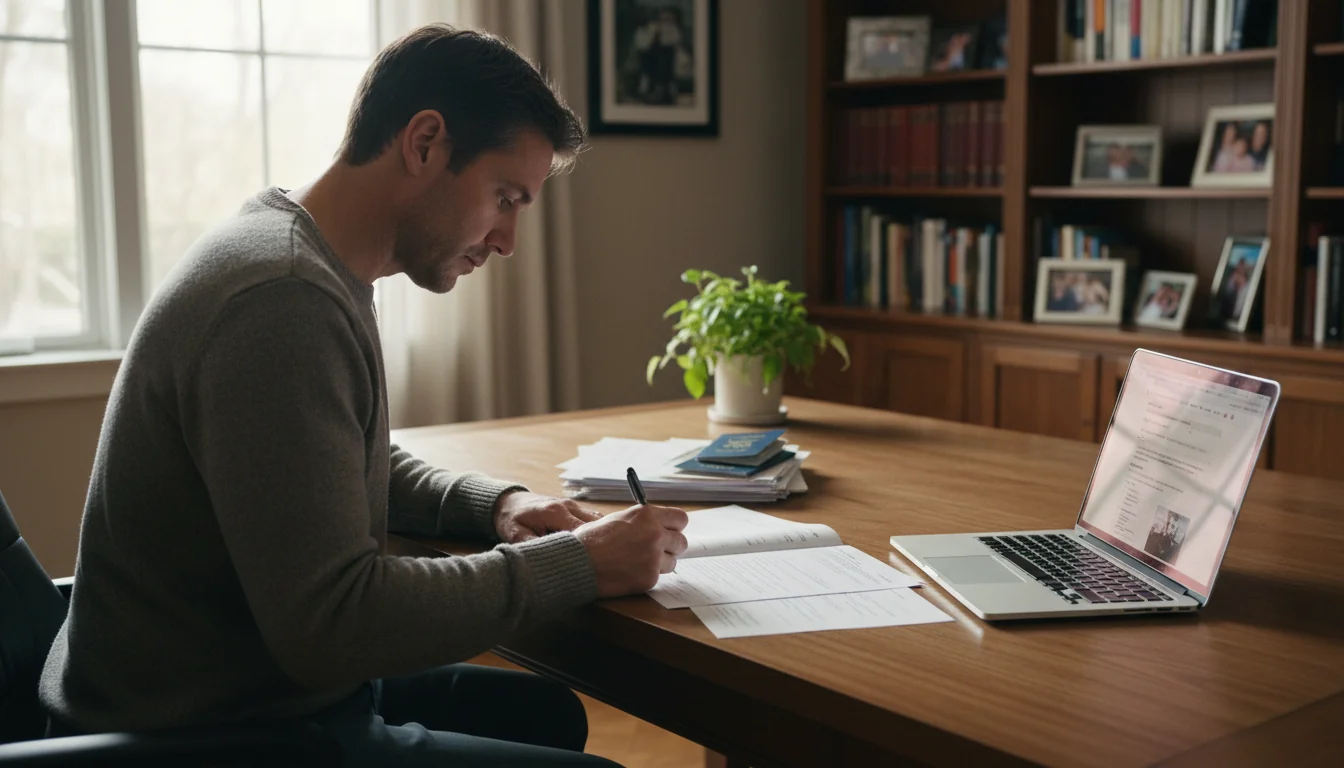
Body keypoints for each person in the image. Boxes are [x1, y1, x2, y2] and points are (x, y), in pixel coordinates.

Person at [39, 25, 690, 767]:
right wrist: (577, 562)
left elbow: (332, 459)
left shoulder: (297, 254)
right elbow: (336, 623)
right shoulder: (280, 301)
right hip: (205, 735)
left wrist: (495, 504)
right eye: (505, 197)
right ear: (424, 143)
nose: (508, 239)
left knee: (545, 713)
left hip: (244, 690)